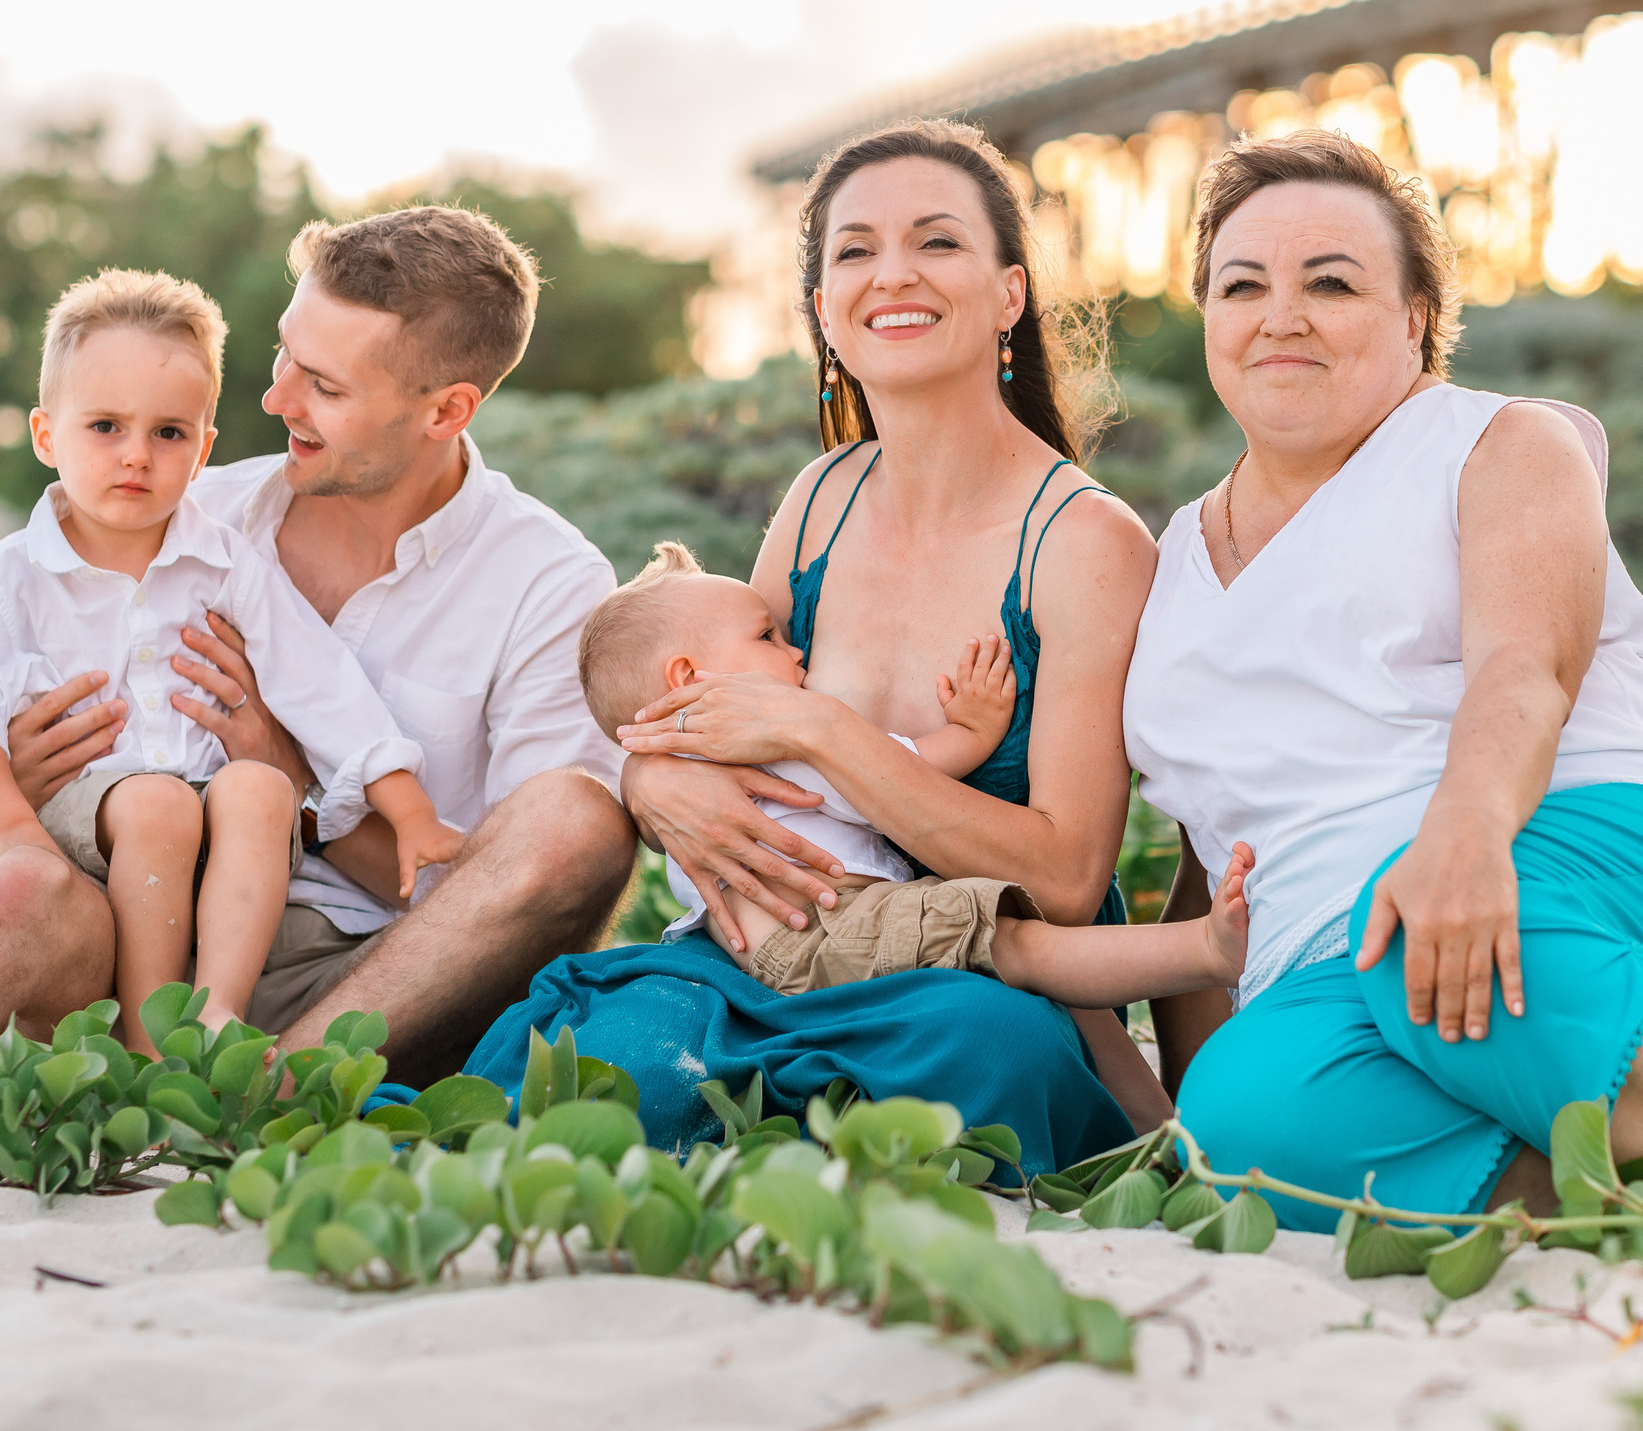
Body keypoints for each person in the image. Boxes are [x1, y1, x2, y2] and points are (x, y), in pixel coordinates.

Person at [0, 205, 636, 1226]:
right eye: (285, 359)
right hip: (133, 929)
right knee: (25, 891)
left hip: (363, 983)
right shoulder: (177, 508)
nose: (276, 398)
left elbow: (506, 901)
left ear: (446, 410)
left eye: (323, 387)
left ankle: (264, 1088)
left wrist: (299, 788)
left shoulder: (544, 582)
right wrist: (17, 784)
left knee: (576, 820)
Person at [1127, 128, 1643, 1230]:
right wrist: (1185, 1096)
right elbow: (1212, 853)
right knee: (1240, 1124)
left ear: (1415, 319)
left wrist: (1463, 843)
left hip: (1606, 864)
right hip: (1346, 969)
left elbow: (1524, 670)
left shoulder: (1498, 445)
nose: (1279, 314)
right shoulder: (1169, 567)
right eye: (1242, 285)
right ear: (1209, 319)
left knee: (1425, 916)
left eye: (1330, 282)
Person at [462, 119, 1168, 1172]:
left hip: (965, 975)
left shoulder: (1084, 541)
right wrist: (652, 778)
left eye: (936, 241)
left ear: (1010, 294)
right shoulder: (818, 501)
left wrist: (822, 730)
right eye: (854, 250)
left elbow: (1065, 880)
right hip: (766, 960)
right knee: (589, 1054)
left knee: (979, 1057)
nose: (893, 274)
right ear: (824, 307)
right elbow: (704, 701)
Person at [0, 270, 458, 1054]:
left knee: (263, 787)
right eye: (104, 426)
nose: (136, 455)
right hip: (81, 823)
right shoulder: (3, 584)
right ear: (46, 435)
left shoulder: (226, 563)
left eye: (168, 433)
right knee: (154, 806)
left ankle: (214, 1015)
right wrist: (16, 839)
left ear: (203, 449)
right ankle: (145, 1045)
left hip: (207, 812)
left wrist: (406, 806)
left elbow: (318, 679)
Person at [577, 540, 1251, 1000]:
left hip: (772, 944)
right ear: (689, 677)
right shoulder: (755, 742)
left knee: (1011, 951)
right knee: (1014, 944)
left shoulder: (697, 753)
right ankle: (1199, 953)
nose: (796, 645)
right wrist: (971, 731)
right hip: (824, 929)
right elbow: (886, 778)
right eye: (767, 637)